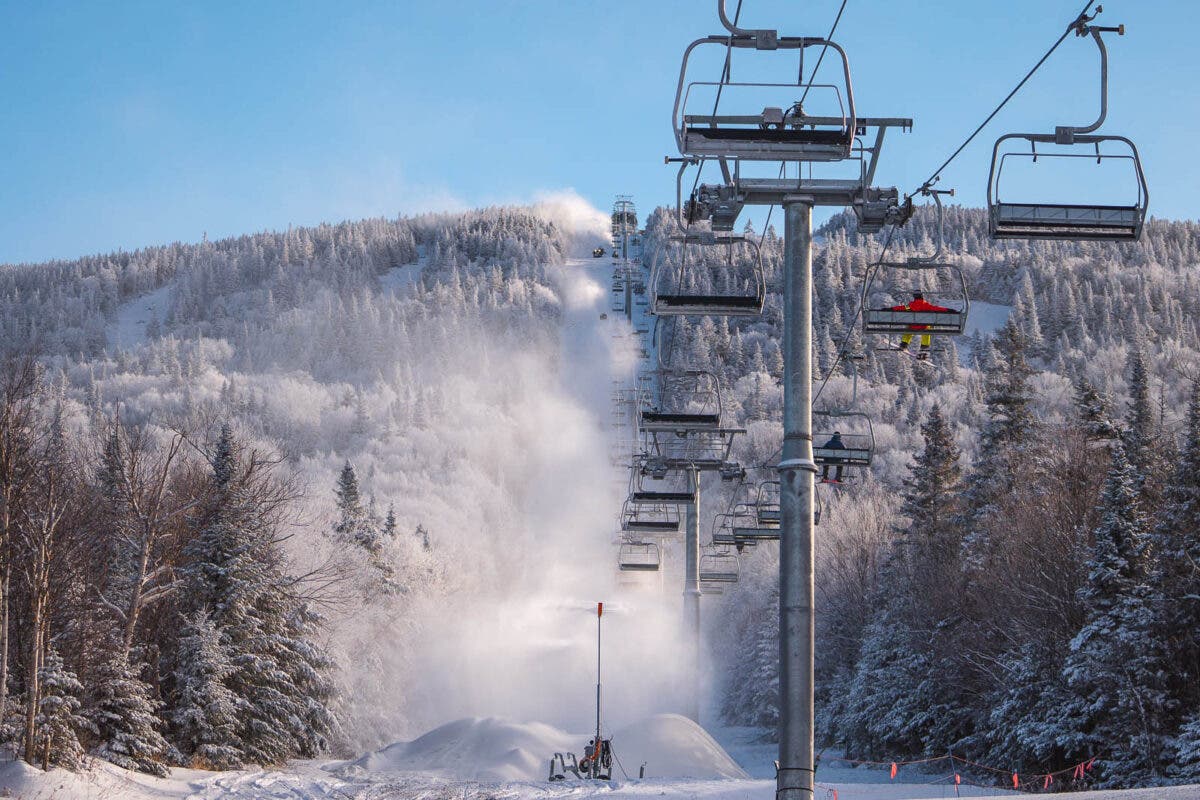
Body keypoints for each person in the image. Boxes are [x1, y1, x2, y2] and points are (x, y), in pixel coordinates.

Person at [891, 292, 953, 359]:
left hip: (913, 326)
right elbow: (936, 308)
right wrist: (948, 310)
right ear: (922, 297)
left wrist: (891, 309)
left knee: (909, 329)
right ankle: (924, 347)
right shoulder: (926, 305)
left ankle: (904, 344)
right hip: (923, 327)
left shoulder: (910, 305)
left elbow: (902, 308)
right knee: (927, 330)